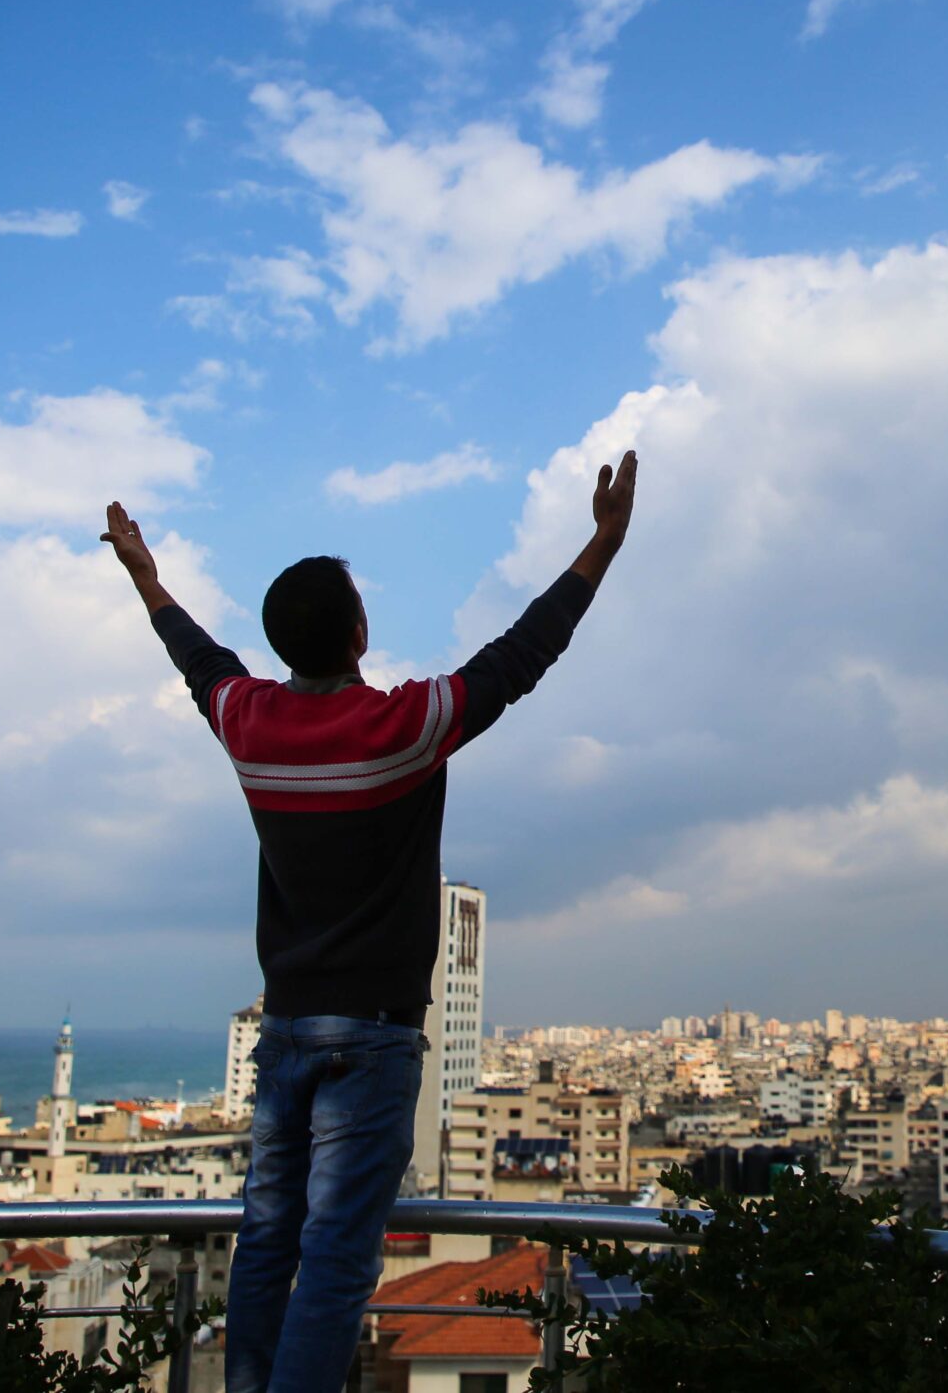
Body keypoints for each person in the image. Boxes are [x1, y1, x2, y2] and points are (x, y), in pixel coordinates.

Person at [99, 450, 638, 1393]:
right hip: (376, 1038)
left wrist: (149, 579)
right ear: (359, 632)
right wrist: (602, 544)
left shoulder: (247, 722)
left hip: (286, 1030)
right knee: (341, 1257)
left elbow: (196, 658)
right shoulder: (405, 726)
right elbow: (519, 656)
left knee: (267, 1240)